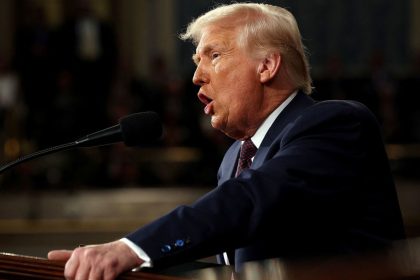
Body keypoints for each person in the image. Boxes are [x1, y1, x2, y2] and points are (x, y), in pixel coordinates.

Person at [48, 3, 405, 279]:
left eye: (213, 56)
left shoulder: (337, 124)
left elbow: (251, 199)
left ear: (267, 66)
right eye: (196, 61)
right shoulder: (236, 155)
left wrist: (133, 248)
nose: (196, 77)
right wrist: (132, 268)